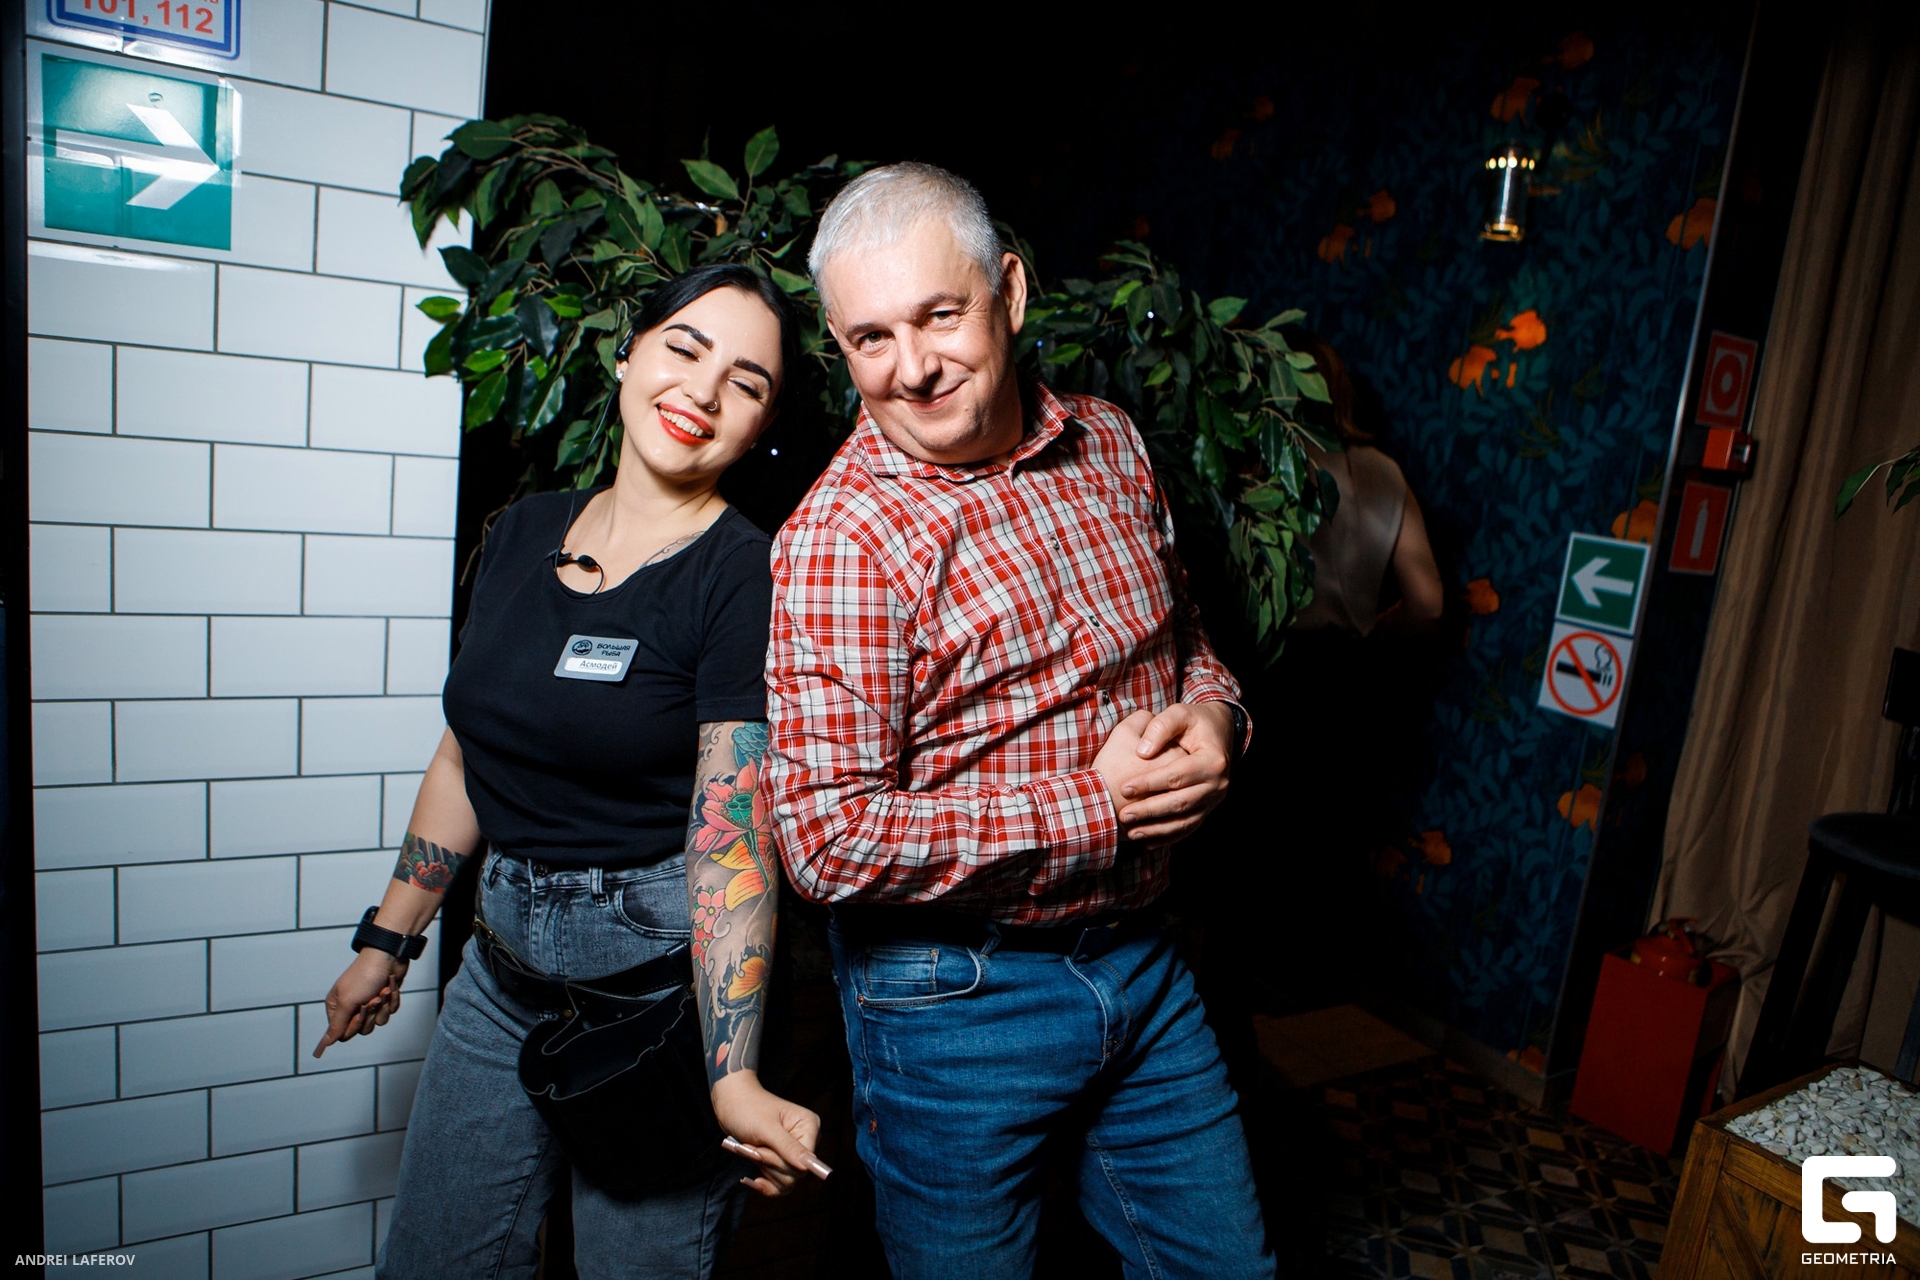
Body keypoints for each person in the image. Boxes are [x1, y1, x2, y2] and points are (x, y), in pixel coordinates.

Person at [764, 163, 1273, 1279]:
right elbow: (824, 837)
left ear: (1011, 290)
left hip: (1145, 962)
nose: (912, 368)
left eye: (940, 315)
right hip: (956, 1000)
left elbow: (1188, 638)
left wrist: (1216, 718)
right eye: (871, 338)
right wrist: (1096, 804)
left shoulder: (1111, 441)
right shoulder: (844, 540)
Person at [314, 263, 828, 1279]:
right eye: (684, 349)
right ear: (628, 355)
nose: (702, 389)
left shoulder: (745, 573)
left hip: (656, 1004)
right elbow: (468, 752)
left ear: (761, 423)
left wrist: (730, 1073)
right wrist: (390, 939)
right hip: (498, 972)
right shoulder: (521, 531)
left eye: (745, 381)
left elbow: (732, 832)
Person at [1286, 331, 1443, 634]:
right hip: (1352, 654)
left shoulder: (1260, 463)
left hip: (1269, 654)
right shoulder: (1384, 469)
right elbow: (1429, 604)